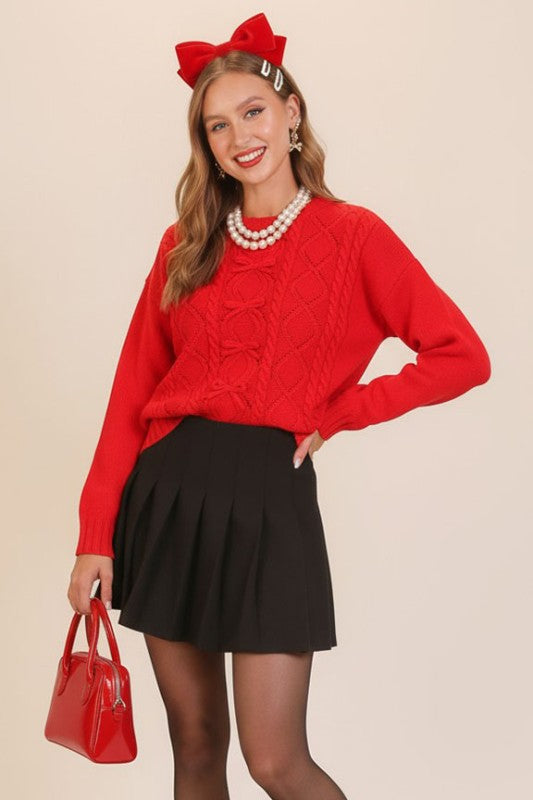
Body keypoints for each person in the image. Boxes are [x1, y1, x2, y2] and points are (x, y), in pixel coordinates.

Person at [67, 12, 491, 800]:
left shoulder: (354, 236)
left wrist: (342, 412)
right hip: (168, 494)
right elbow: (130, 395)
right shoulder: (184, 242)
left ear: (291, 112)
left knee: (275, 762)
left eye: (253, 112)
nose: (239, 137)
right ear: (205, 143)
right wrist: (96, 535)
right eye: (217, 125)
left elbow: (461, 355)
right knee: (195, 748)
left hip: (270, 499)